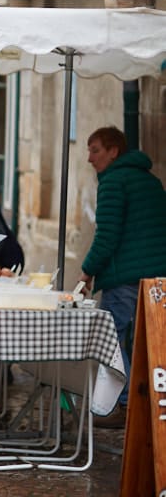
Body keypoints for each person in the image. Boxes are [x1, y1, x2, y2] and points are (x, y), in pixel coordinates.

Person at [77, 126, 166, 429]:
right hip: (155, 277)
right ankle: (145, 403)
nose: (90, 158)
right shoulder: (151, 180)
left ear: (113, 151)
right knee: (145, 342)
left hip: (124, 277)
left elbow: (107, 237)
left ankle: (125, 402)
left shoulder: (114, 182)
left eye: (95, 150)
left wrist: (87, 271)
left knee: (109, 339)